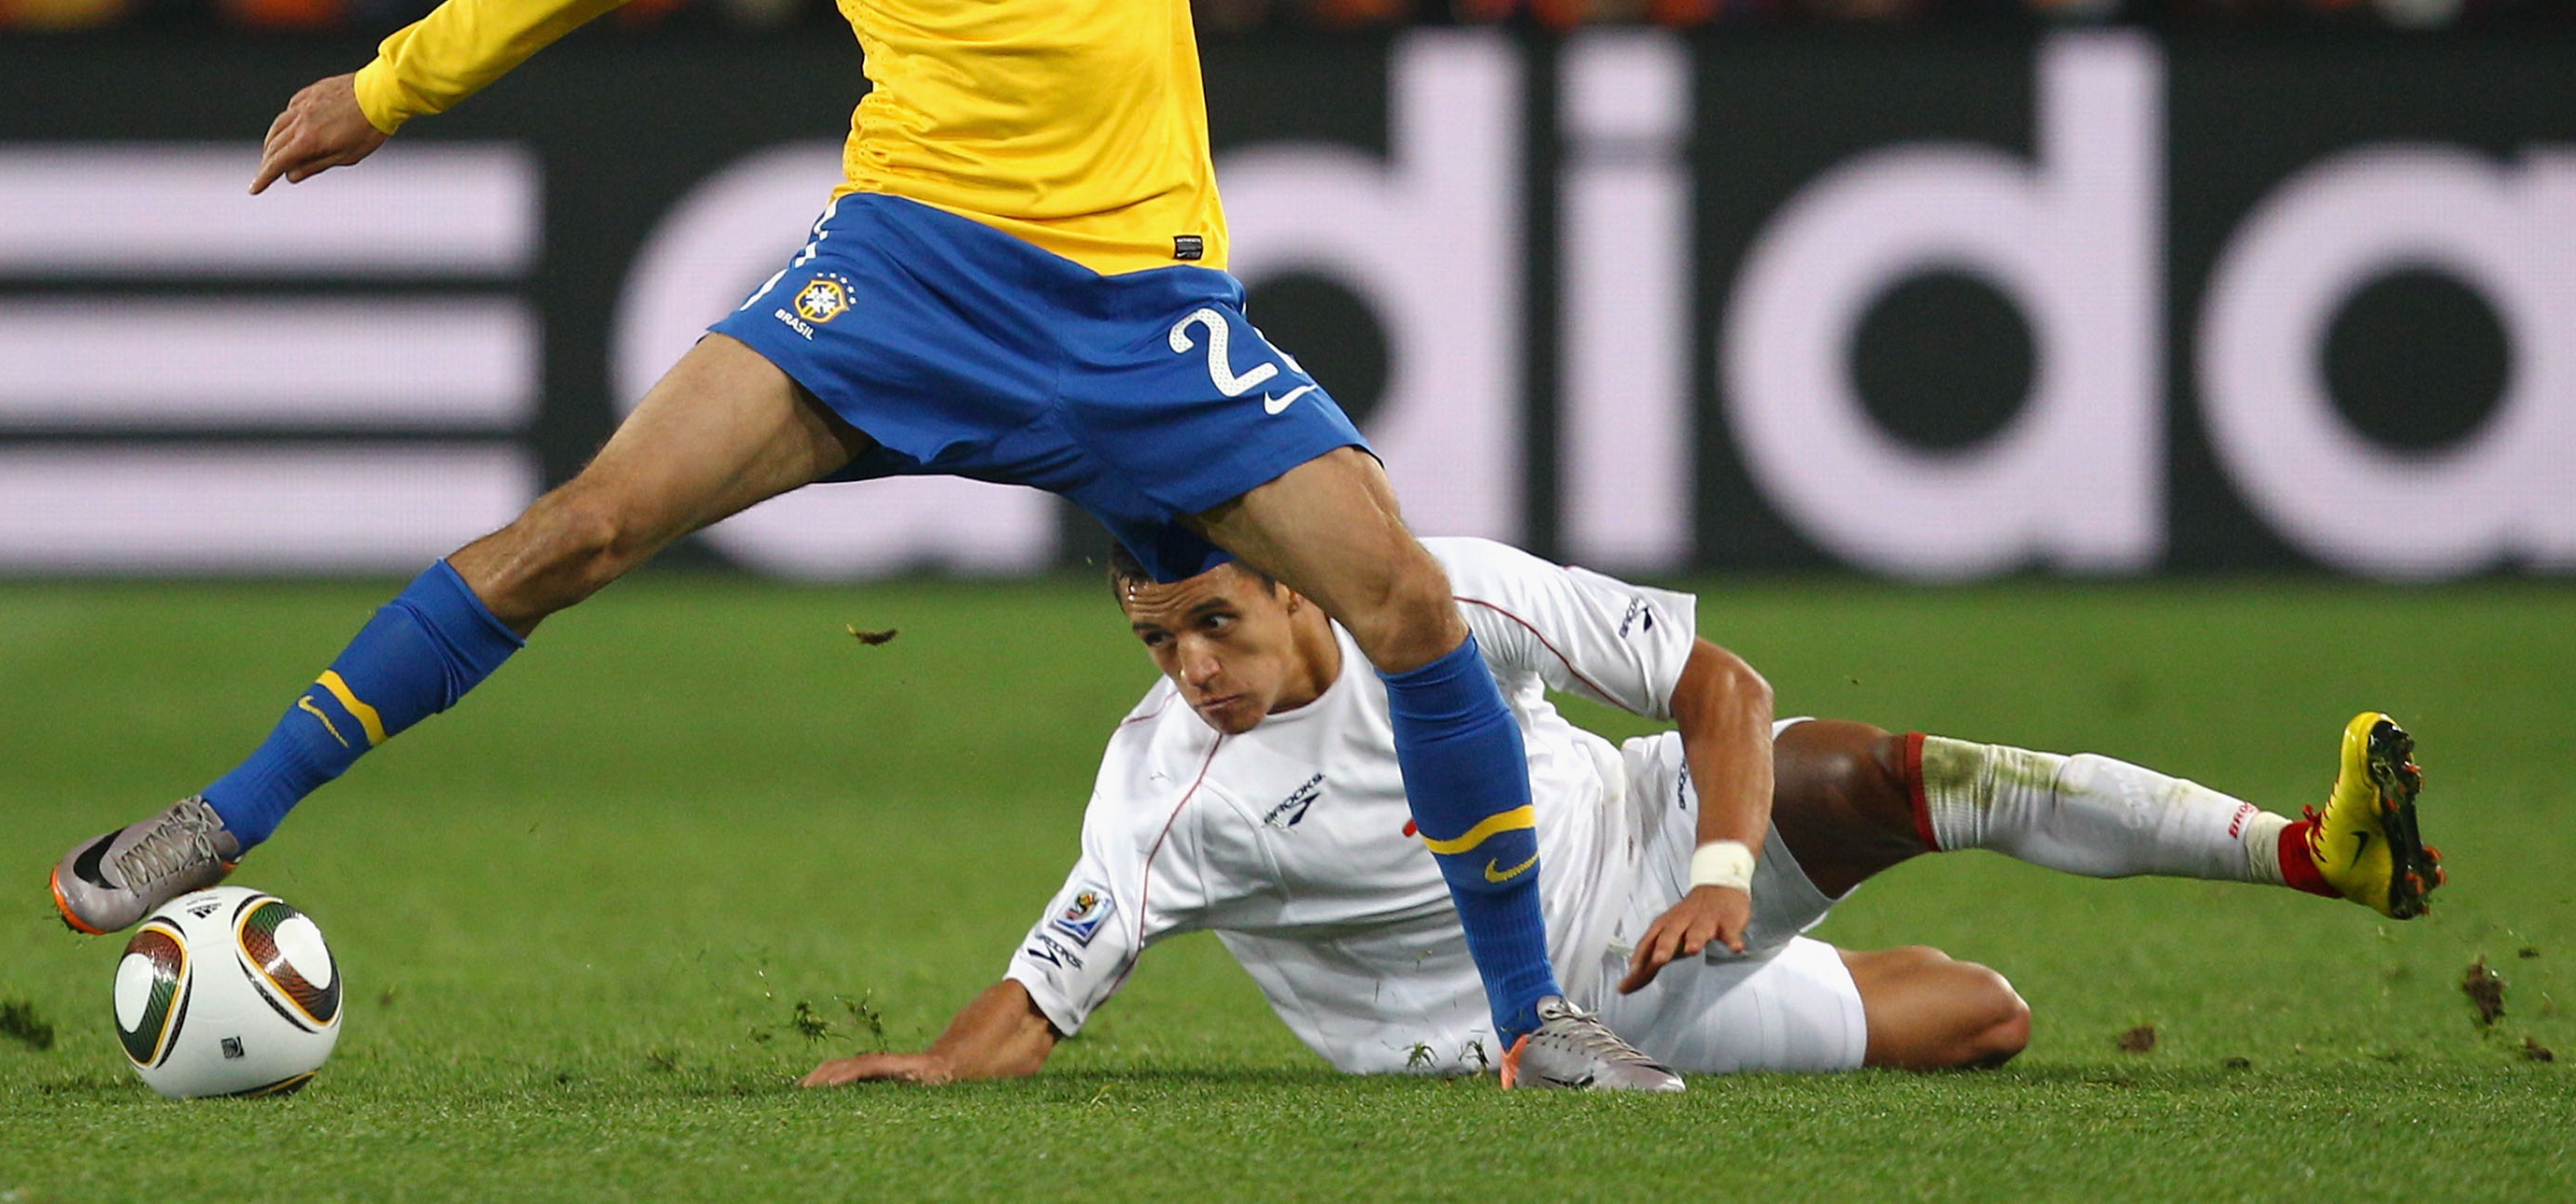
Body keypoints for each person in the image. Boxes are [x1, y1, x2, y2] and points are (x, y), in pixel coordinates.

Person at [48, 0, 1671, 1093]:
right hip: (901, 278)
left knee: (1416, 615)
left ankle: (1535, 1027)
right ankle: (229, 809)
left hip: (1144, 309)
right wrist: (383, 84)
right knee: (580, 529)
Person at [802, 544, 2441, 1088]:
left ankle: (2308, 847)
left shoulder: (1432, 592)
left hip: (1650, 837)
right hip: (1561, 1011)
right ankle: (1817, 974)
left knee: (1881, 767)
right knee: (1991, 1020)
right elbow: (1048, 983)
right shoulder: (1165, 791)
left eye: (1212, 623)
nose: (1191, 666)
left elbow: (1717, 684)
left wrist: (1723, 862)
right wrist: (942, 1062)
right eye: (1154, 637)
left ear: (1292, 584)